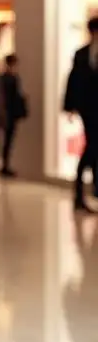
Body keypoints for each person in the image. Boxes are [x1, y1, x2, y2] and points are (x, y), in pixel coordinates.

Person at [63, 16, 98, 212]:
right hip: (89, 109)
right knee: (92, 147)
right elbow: (74, 79)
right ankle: (80, 192)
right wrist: (70, 106)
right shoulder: (82, 54)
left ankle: (87, 191)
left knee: (93, 148)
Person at [0, 54, 27, 178]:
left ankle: (5, 165)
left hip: (8, 113)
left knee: (7, 141)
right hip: (9, 114)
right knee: (7, 141)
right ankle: (5, 165)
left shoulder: (4, 78)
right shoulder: (10, 78)